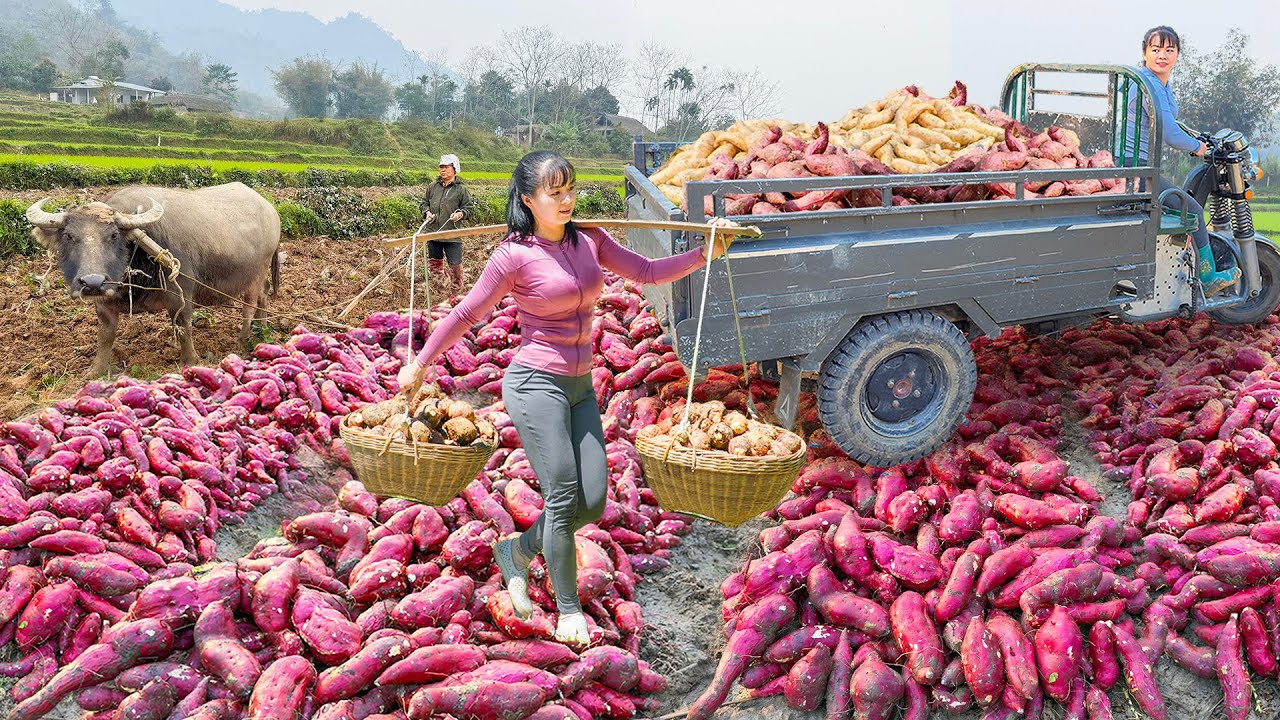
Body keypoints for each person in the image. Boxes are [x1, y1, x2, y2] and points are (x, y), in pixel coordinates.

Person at [397, 150, 736, 644]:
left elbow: (645, 271)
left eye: (570, 189)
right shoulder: (514, 255)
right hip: (535, 384)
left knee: (592, 500)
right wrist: (420, 362)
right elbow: (466, 314)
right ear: (529, 199)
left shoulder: (590, 240)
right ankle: (568, 609)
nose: (567, 200)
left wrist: (707, 251)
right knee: (560, 496)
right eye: (554, 193)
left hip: (580, 387)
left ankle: (516, 552)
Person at [1121, 25, 1239, 295]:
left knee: (1177, 205)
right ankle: (1208, 279)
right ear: (1144, 52)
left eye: (1169, 50)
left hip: (1139, 166)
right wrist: (1198, 148)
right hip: (1135, 169)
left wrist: (1199, 138)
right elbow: (1170, 132)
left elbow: (1173, 122)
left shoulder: (1160, 83)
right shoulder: (1148, 82)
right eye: (1156, 49)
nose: (1162, 55)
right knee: (1193, 210)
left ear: (1177, 55)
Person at [419, 153, 477, 292]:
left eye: (446, 167)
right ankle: (441, 291)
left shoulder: (461, 189)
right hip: (433, 232)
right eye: (441, 167)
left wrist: (460, 214)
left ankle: (457, 291)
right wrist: (427, 212)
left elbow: (469, 208)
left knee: (455, 265)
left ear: (454, 169)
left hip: (452, 234)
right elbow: (424, 203)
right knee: (435, 265)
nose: (443, 170)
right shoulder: (433, 187)